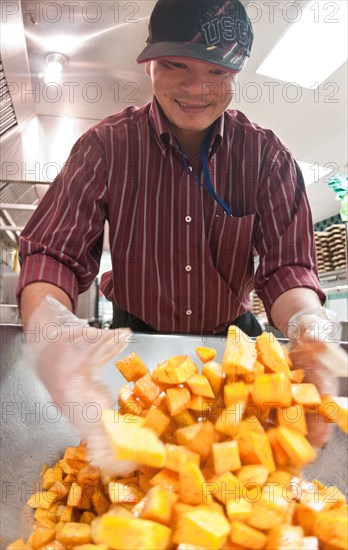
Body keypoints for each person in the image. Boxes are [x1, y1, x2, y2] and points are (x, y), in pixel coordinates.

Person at [16, 0, 345, 467]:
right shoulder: (105, 148)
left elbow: (286, 269)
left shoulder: (267, 157)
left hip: (233, 346)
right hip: (137, 342)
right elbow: (53, 254)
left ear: (236, 74)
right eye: (175, 65)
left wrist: (309, 327)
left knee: (232, 469)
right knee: (142, 469)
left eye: (216, 71)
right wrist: (48, 333)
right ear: (149, 63)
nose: (196, 88)